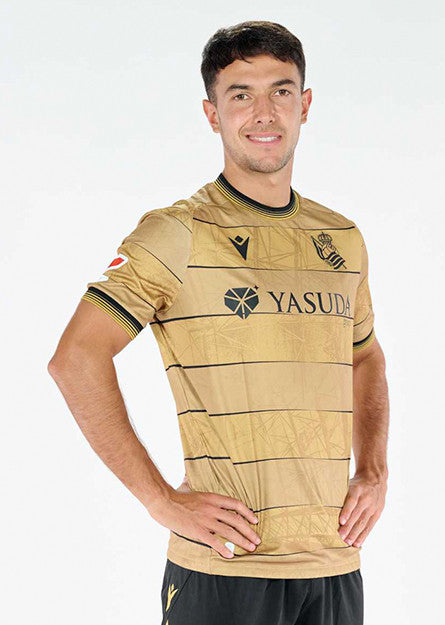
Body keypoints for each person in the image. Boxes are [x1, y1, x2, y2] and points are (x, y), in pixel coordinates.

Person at [48, 20, 389, 625]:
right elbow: (75, 358)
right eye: (241, 95)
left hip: (335, 565)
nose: (264, 113)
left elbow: (363, 355)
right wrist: (160, 501)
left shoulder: (342, 238)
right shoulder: (176, 232)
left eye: (281, 91)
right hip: (225, 569)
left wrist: (374, 470)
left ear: (305, 105)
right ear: (212, 114)